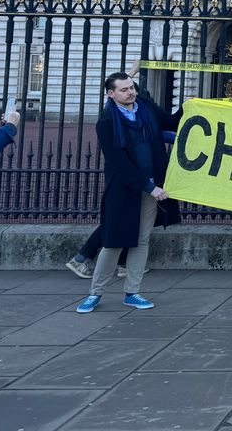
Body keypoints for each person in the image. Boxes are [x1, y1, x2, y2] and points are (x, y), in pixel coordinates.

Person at [76, 71, 181, 313]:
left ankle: (132, 292)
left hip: (153, 186)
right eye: (124, 89)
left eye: (131, 87)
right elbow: (119, 163)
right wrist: (150, 187)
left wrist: (191, 106)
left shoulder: (145, 108)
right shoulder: (106, 122)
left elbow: (171, 121)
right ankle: (95, 292)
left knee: (141, 240)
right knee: (114, 242)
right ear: (111, 94)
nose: (130, 92)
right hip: (125, 189)